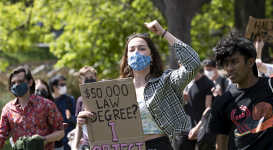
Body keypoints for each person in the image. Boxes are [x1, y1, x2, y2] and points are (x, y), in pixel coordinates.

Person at [77, 20, 201, 150]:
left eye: (142, 48)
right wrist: (85, 122)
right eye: (132, 50)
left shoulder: (166, 82)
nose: (136, 52)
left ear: (151, 56)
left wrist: (163, 33)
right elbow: (102, 130)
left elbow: (193, 63)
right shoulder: (112, 90)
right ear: (127, 57)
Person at [208, 33, 273, 150]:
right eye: (226, 63)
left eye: (234, 62)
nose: (229, 68)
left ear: (250, 62)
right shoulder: (223, 101)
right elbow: (221, 143)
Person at [0, 65, 64, 150]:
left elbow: (60, 132)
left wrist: (43, 140)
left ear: (30, 82)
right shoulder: (8, 109)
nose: (16, 85)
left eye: (20, 81)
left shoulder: (47, 105)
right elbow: (2, 135)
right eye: (13, 83)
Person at [183, 68, 215, 150]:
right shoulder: (187, 82)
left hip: (201, 130)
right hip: (186, 130)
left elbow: (208, 108)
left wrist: (197, 127)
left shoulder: (207, 83)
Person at [73, 66, 98, 150]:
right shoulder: (80, 100)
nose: (89, 80)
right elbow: (78, 125)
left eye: (91, 77)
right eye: (86, 78)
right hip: (87, 143)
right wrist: (75, 145)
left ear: (96, 78)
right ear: (81, 81)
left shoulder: (105, 96)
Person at [49, 74, 76, 150]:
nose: (64, 86)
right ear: (54, 87)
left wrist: (70, 118)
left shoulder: (69, 99)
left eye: (64, 84)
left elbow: (76, 119)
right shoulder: (48, 102)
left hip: (70, 140)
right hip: (55, 142)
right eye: (62, 84)